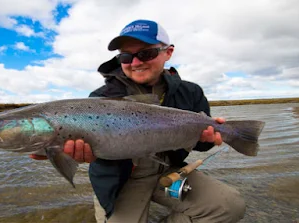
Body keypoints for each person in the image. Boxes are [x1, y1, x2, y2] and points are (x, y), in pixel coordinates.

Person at [30, 19, 246, 223]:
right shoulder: (100, 99)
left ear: (168, 52)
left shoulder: (190, 92)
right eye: (126, 56)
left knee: (229, 206)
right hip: (120, 179)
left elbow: (201, 144)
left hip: (168, 170)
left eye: (146, 53)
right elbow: (48, 151)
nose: (135, 62)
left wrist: (210, 138)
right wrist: (68, 154)